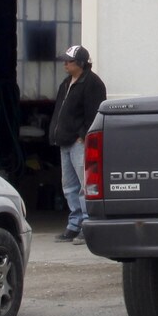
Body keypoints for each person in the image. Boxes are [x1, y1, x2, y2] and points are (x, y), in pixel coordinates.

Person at [48, 44, 107, 242]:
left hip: (79, 143)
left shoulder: (93, 83)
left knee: (85, 186)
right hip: (65, 142)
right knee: (69, 186)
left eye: (69, 61)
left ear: (80, 63)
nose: (65, 64)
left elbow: (95, 112)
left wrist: (83, 135)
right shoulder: (66, 83)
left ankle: (87, 225)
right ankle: (74, 224)